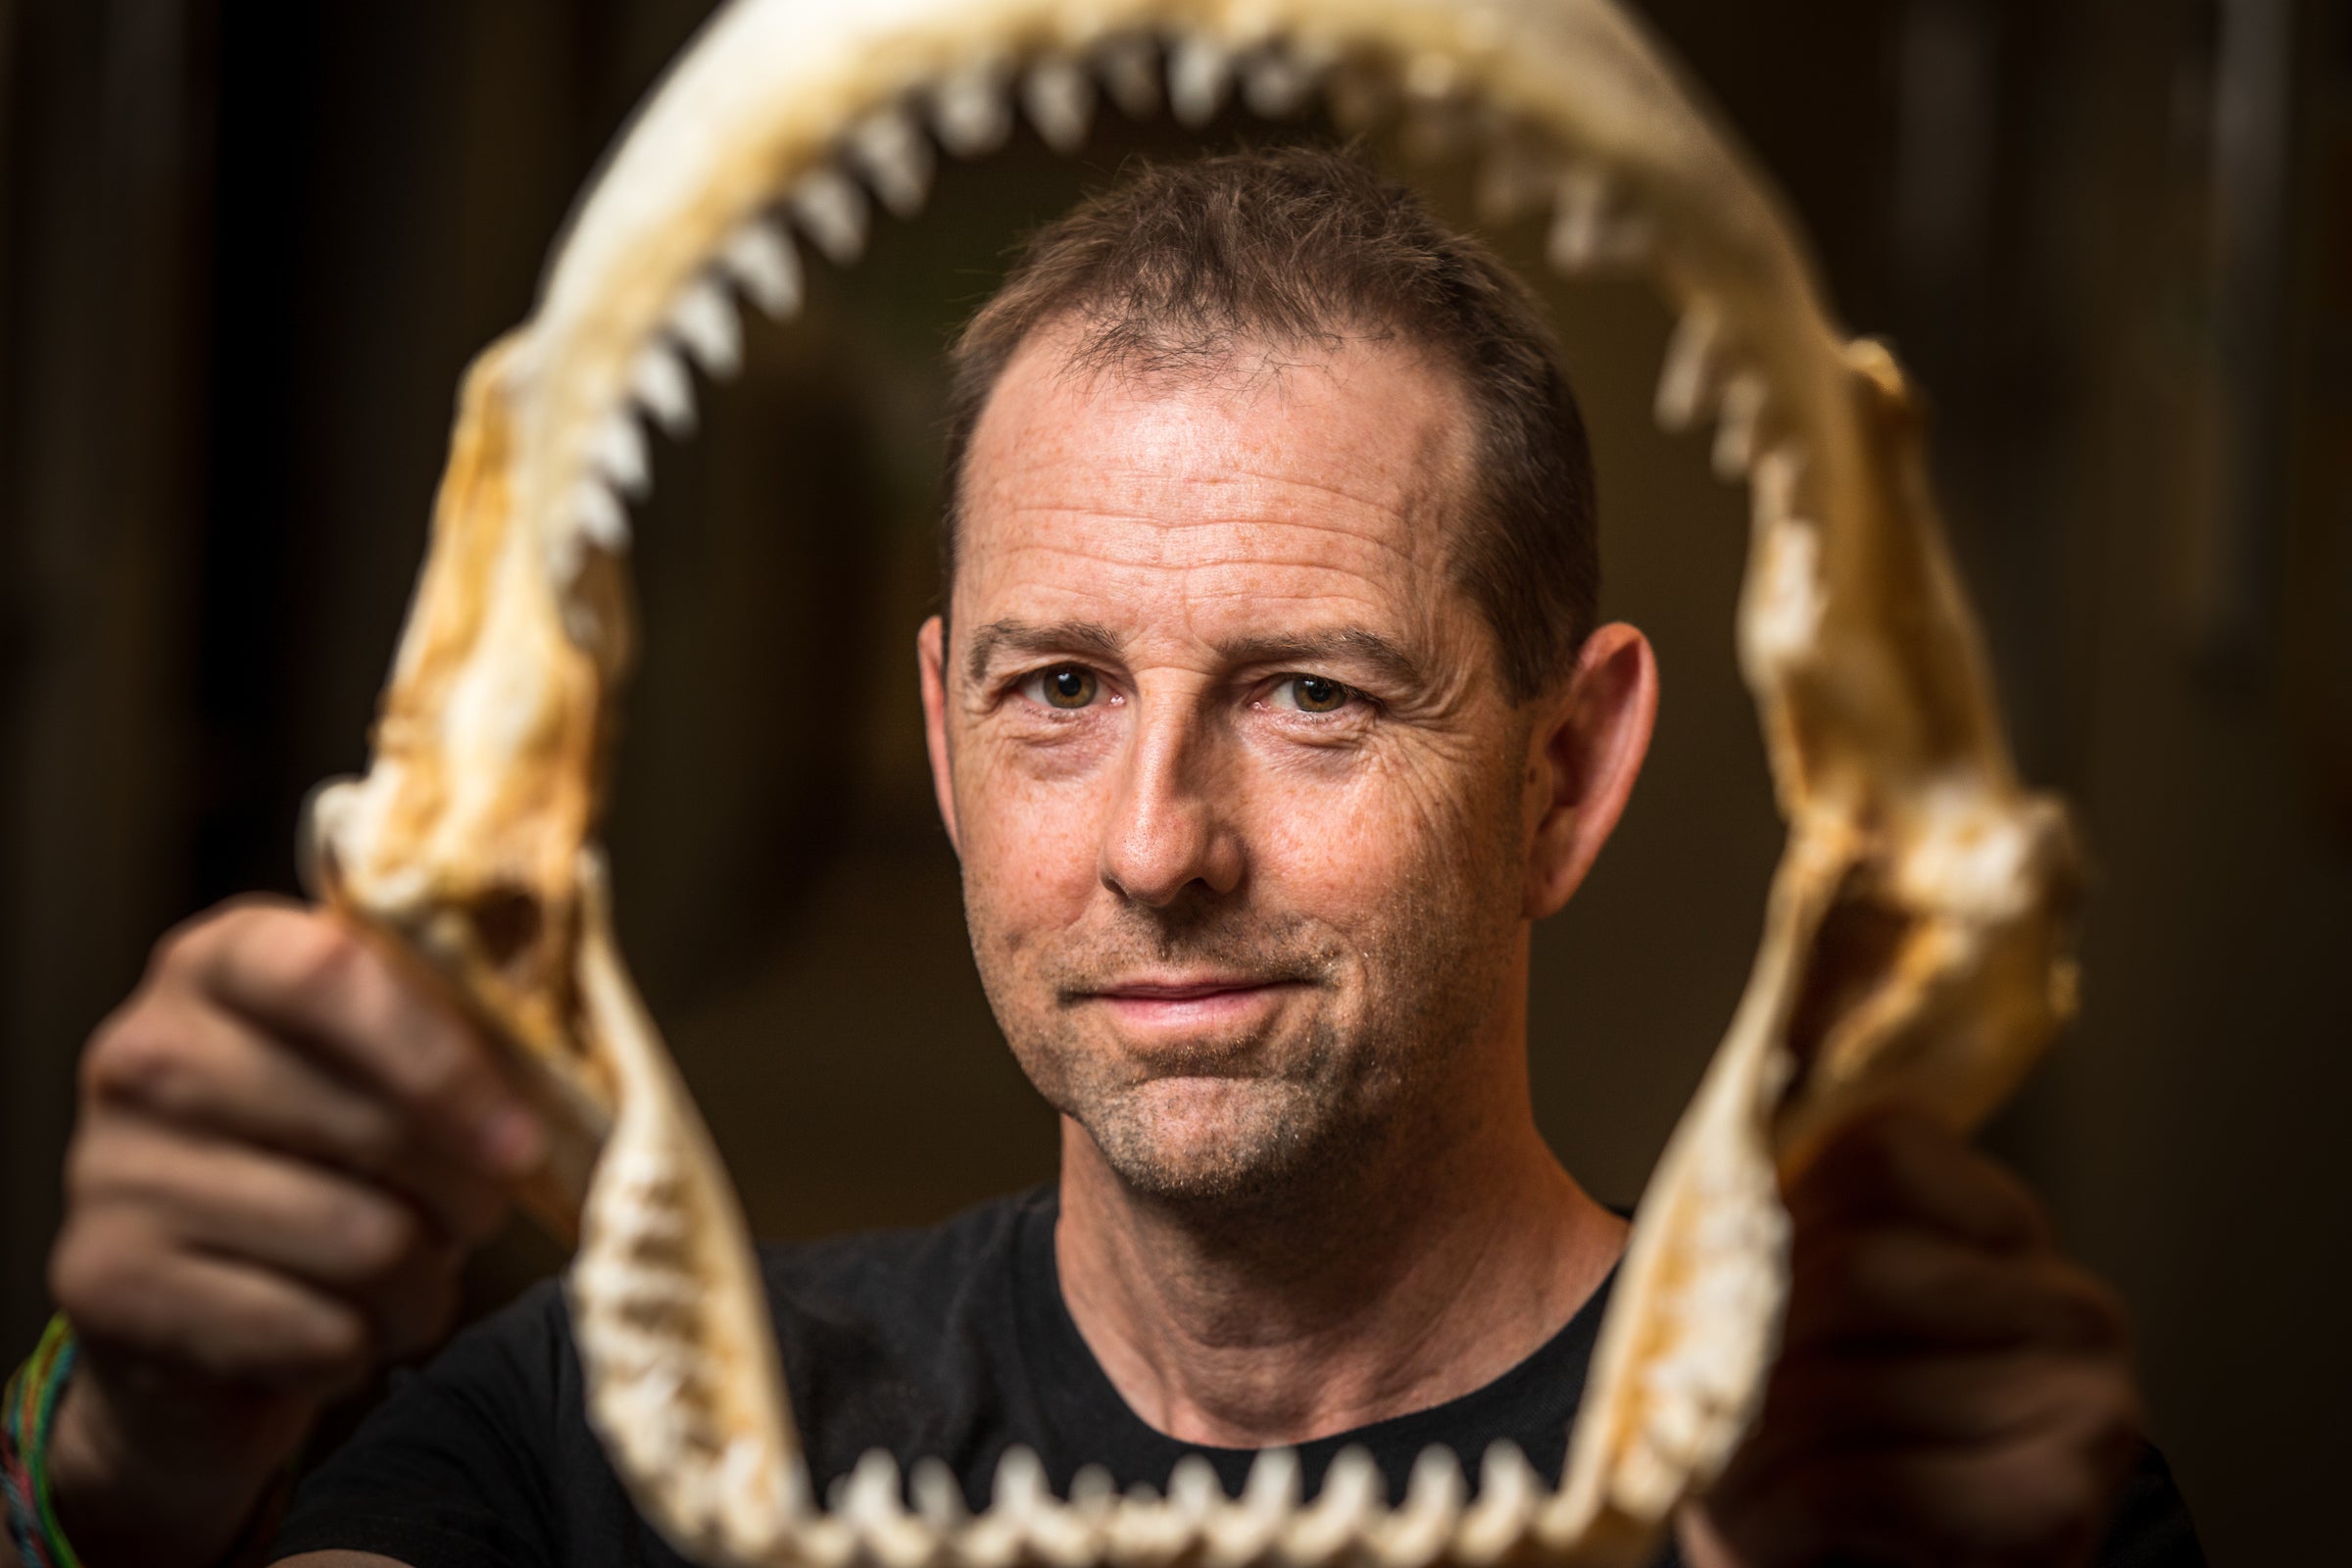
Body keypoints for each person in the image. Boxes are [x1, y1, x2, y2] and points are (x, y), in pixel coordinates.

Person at [4, 147, 2201, 1568]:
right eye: (1058, 689)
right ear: (950, 735)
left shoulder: (1900, 1484)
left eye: (1312, 693)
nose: (1158, 844)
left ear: (1568, 771)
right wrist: (137, 1457)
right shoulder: (619, 1436)